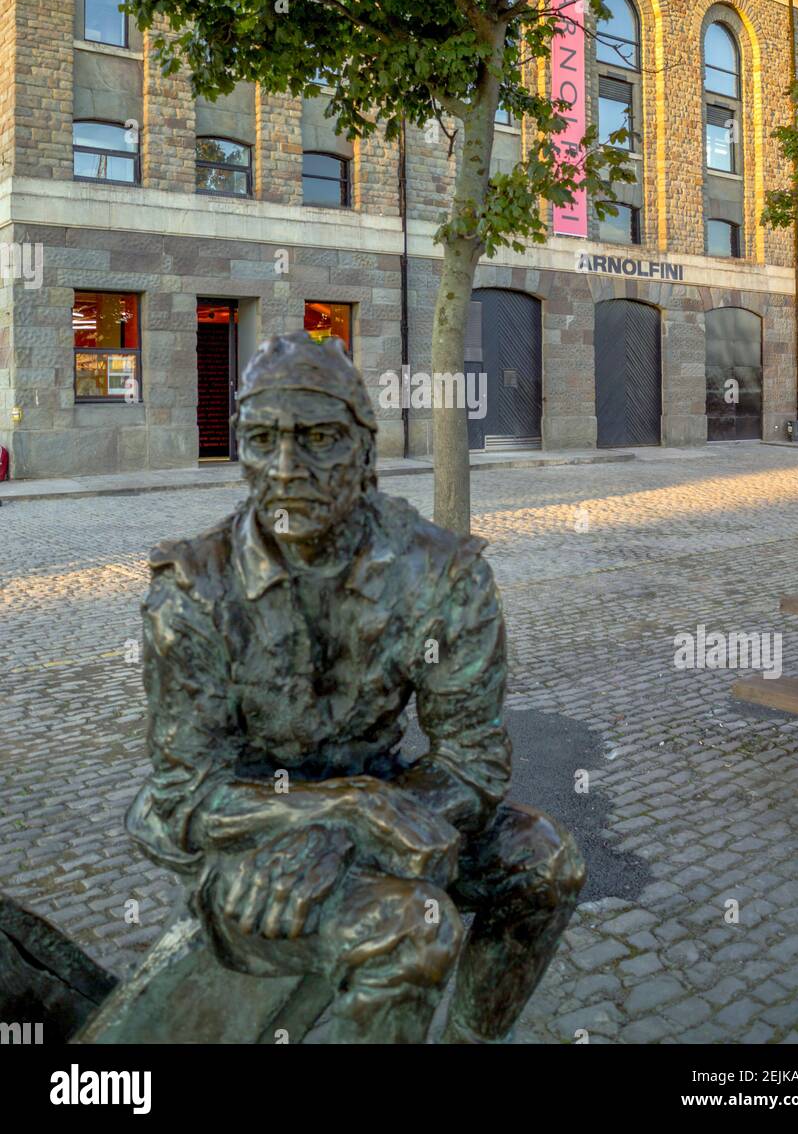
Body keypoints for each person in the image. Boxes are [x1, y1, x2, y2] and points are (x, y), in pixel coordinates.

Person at [127, 332, 584, 1043]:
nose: (286, 468)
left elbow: (472, 762)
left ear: (365, 452)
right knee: (409, 933)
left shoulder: (441, 576)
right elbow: (185, 795)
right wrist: (344, 809)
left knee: (545, 862)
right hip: (248, 846)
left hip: (392, 801)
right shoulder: (193, 591)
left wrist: (349, 831)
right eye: (262, 439)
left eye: (319, 439)